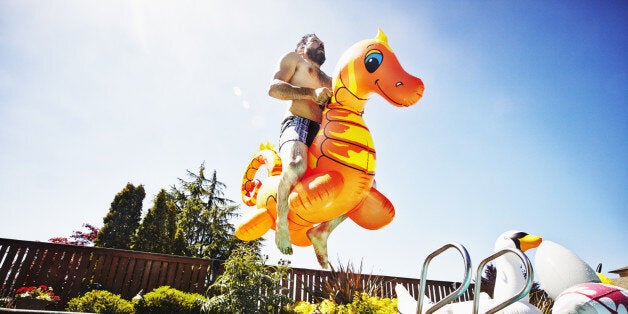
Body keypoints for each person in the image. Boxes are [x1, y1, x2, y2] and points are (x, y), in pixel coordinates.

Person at [268, 34, 332, 256]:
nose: (322, 45)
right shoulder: (295, 59)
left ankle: (323, 231)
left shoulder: (330, 79)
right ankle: (281, 224)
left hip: (324, 135)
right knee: (296, 165)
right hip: (297, 122)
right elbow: (274, 88)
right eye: (317, 41)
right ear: (302, 47)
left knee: (365, 183)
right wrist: (310, 94)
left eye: (323, 44)